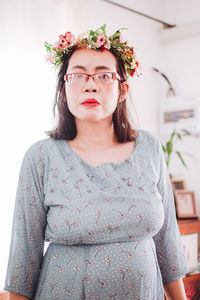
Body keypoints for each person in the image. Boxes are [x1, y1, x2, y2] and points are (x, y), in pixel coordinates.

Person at [4, 24, 188, 300]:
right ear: (64, 89)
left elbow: (167, 243)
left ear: (123, 89)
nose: (90, 84)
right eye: (77, 75)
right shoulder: (41, 157)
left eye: (103, 75)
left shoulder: (149, 148)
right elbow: (23, 258)